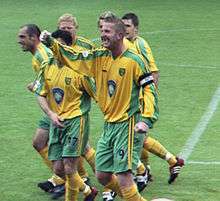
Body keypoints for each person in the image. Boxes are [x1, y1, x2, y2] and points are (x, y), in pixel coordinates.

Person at [41, 15, 159, 201]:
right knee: (102, 175)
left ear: (120, 35)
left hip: (127, 123)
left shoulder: (134, 60)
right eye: (101, 31)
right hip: (109, 124)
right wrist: (51, 44)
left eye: (107, 31)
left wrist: (146, 119)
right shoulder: (99, 56)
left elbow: (149, 89)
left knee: (123, 176)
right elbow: (74, 57)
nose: (102, 35)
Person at [19, 25, 98, 201]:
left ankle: (106, 184)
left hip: (73, 116)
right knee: (62, 165)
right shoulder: (47, 62)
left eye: (22, 37)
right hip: (55, 112)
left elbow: (96, 93)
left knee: (70, 159)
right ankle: (85, 187)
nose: (19, 41)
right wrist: (44, 100)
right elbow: (44, 88)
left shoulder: (49, 58)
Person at [121, 12, 184, 184]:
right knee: (138, 138)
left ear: (136, 29)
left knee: (135, 137)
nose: (124, 29)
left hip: (140, 100)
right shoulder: (125, 44)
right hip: (130, 99)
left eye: (127, 26)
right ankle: (154, 167)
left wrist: (149, 98)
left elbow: (154, 72)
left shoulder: (140, 44)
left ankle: (165, 162)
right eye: (123, 25)